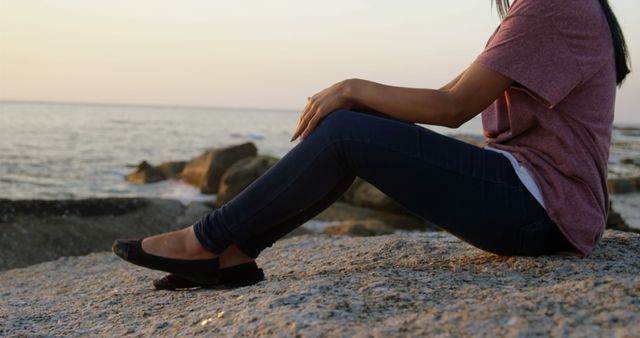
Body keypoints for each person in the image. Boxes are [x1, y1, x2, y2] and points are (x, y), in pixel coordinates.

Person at [113, 0, 631, 290]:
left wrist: (351, 87)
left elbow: (452, 106)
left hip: (542, 206)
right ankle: (231, 256)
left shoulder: (555, 4)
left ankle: (206, 239)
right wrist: (359, 102)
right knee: (351, 126)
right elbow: (451, 100)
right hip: (539, 202)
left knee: (344, 130)